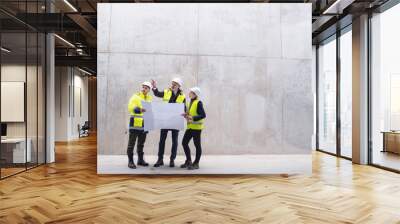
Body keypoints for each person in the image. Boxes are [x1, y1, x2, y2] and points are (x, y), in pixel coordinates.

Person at [151, 77, 186, 167]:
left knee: (175, 141)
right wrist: (154, 87)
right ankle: (160, 160)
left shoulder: (182, 96)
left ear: (179, 86)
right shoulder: (167, 91)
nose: (173, 84)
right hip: (165, 120)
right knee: (162, 140)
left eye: (175, 83)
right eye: (172, 83)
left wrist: (185, 114)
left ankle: (172, 160)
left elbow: (184, 108)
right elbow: (157, 94)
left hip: (176, 121)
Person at [126, 81, 153, 169]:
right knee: (131, 144)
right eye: (143, 87)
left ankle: (140, 160)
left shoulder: (149, 98)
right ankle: (130, 161)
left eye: (146, 88)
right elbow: (130, 107)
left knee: (141, 144)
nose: (144, 89)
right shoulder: (135, 96)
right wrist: (140, 110)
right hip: (135, 123)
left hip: (144, 125)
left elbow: (150, 111)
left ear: (149, 90)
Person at [181, 87, 206, 170]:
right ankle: (188, 160)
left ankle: (196, 163)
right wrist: (186, 115)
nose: (189, 93)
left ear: (195, 94)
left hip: (197, 128)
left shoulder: (199, 103)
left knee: (197, 145)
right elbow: (189, 114)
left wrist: (193, 118)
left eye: (191, 92)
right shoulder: (190, 103)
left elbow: (203, 115)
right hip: (190, 127)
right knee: (184, 143)